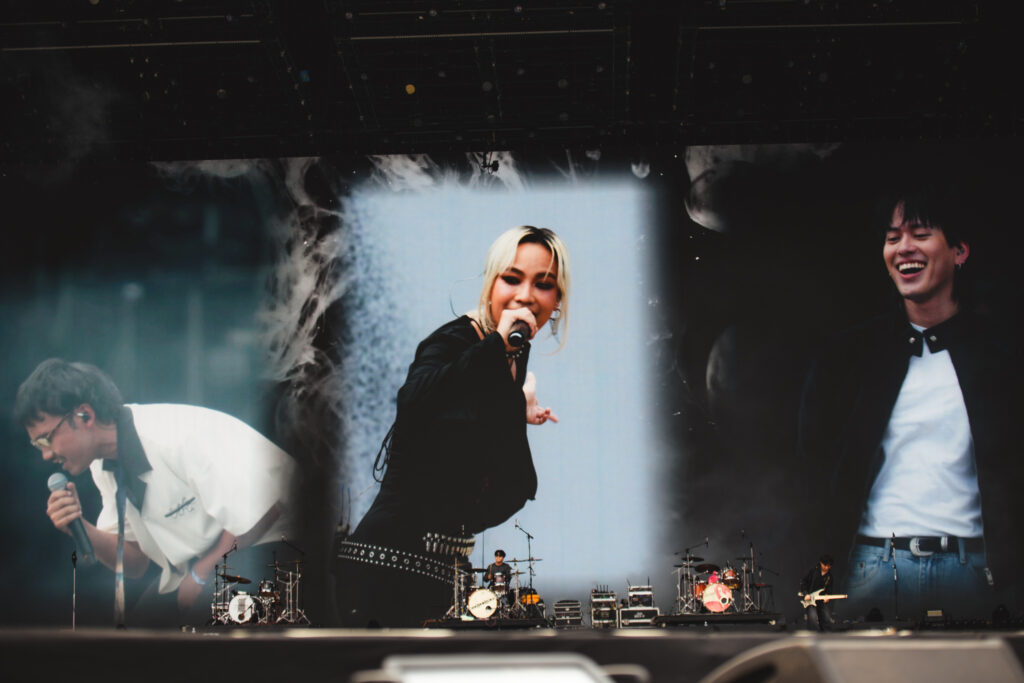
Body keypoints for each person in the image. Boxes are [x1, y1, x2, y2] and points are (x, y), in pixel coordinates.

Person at [798, 178, 1023, 621]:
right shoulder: (849, 355)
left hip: (975, 572)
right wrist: (816, 583)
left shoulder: (1003, 356)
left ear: (959, 251)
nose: (904, 248)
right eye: (892, 238)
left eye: (920, 234)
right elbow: (812, 474)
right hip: (872, 569)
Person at [336, 225, 570, 627]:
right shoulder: (458, 340)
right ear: (490, 285)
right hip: (387, 566)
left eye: (543, 284)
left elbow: (466, 417)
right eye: (512, 278)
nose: (526, 295)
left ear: (557, 300)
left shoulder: (513, 352)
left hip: (441, 571)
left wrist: (518, 406)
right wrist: (498, 347)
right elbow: (414, 400)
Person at [15, 359, 297, 626]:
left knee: (211, 612)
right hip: (204, 564)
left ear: (85, 416)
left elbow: (266, 504)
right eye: (37, 445)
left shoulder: (171, 436)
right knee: (138, 637)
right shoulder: (103, 465)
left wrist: (201, 573)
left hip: (275, 547)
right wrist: (79, 526)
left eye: (46, 439)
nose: (45, 455)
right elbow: (135, 561)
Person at [798, 554, 837, 631]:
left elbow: (829, 589)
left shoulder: (829, 576)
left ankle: (826, 636)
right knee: (813, 619)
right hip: (810, 599)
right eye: (825, 565)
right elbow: (803, 582)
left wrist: (827, 596)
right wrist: (806, 594)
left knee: (827, 619)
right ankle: (815, 635)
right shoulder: (813, 571)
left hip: (821, 601)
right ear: (821, 563)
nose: (827, 568)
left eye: (829, 566)